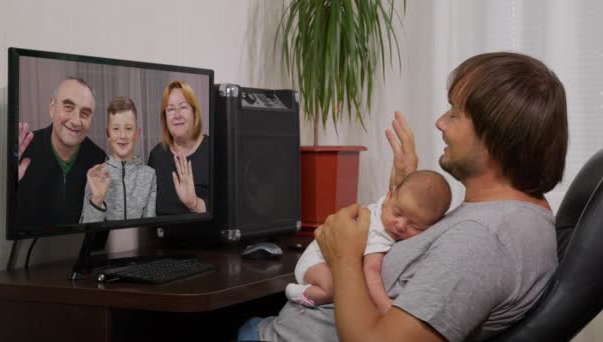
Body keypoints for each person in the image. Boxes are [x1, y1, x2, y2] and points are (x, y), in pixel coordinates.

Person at [239, 52, 568, 342]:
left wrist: (343, 256)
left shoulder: (482, 241)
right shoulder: (511, 217)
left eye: (454, 113)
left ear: (495, 139)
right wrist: (405, 196)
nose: (440, 122)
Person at [285, 170, 451, 313]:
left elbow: (410, 197)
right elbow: (370, 271)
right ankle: (298, 293)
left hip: (324, 258)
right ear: (390, 195)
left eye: (414, 225)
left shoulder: (387, 205)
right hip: (315, 262)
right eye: (397, 213)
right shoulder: (379, 233)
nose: (400, 226)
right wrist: (383, 304)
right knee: (332, 289)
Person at [17, 77, 106, 226]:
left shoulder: (99, 161)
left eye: (85, 113)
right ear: (52, 107)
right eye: (68, 107)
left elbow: (97, 239)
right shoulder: (22, 152)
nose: (76, 121)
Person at [80, 97, 157, 223]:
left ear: (137, 134)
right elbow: (86, 232)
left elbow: (149, 228)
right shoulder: (96, 177)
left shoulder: (149, 175)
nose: (122, 135)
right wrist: (97, 200)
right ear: (108, 134)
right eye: (116, 129)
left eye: (128, 128)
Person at [148, 80, 209, 215]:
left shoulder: (215, 151)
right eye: (170, 109)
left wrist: (194, 204)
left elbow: (229, 212)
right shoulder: (156, 155)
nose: (177, 115)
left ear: (194, 112)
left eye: (183, 107)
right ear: (165, 117)